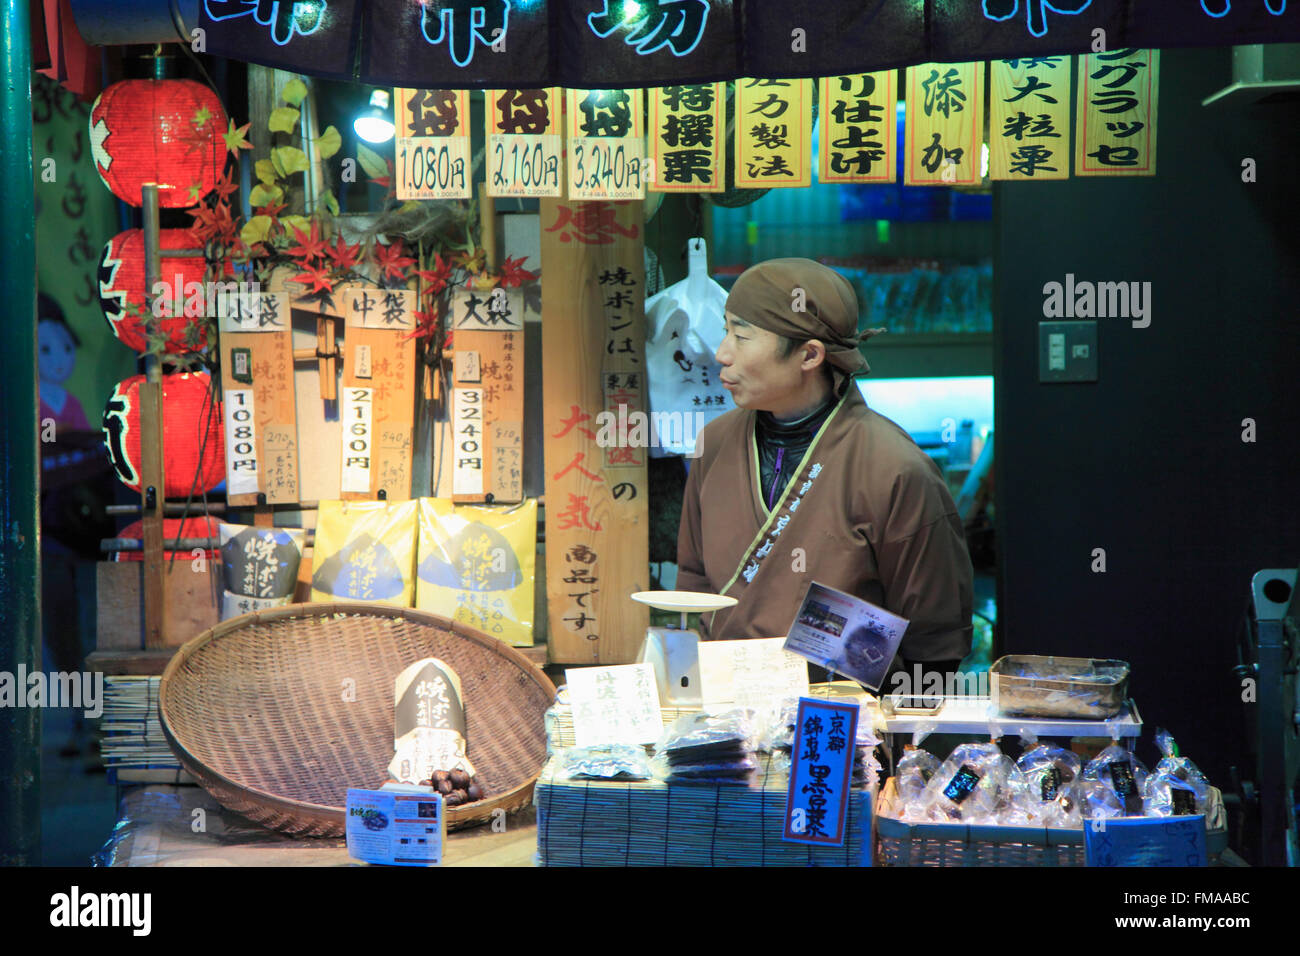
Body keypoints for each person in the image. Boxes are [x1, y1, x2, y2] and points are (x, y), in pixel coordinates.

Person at [675, 258, 973, 681]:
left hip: (843, 726)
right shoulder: (714, 443)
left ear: (809, 354)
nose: (722, 353)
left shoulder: (896, 469)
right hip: (727, 721)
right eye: (726, 330)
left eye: (741, 335)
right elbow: (694, 581)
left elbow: (936, 646)